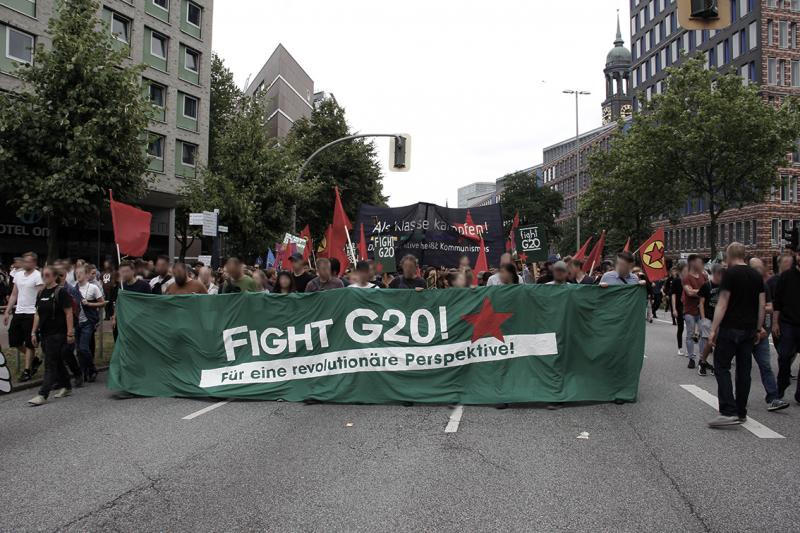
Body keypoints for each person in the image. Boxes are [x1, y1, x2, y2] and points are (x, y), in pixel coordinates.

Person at [706, 243, 765, 427]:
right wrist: (758, 328)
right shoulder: (756, 275)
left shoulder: (729, 274)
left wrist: (714, 328)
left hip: (730, 327)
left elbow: (722, 303)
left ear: (730, 255)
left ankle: (728, 410)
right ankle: (741, 411)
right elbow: (761, 304)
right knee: (744, 370)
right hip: (748, 329)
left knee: (722, 367)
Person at [27, 266, 75, 406]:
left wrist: (70, 333)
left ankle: (43, 394)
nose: (44, 277)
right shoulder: (41, 292)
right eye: (43, 275)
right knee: (57, 361)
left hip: (58, 333)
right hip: (45, 333)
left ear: (55, 277)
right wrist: (33, 332)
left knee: (50, 364)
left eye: (47, 275)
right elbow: (37, 314)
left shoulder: (61, 292)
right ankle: (66, 386)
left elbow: (68, 313)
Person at [748, 258, 789, 411]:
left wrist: (760, 308)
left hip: (762, 333)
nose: (760, 271)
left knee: (765, 365)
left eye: (761, 267)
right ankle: (740, 398)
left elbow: (771, 306)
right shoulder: (744, 285)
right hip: (746, 332)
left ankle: (773, 397)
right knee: (743, 368)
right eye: (757, 268)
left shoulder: (764, 286)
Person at [3, 252, 44, 382]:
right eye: (24, 261)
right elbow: (14, 293)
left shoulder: (38, 276)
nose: (25, 264)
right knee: (14, 340)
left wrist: (40, 312)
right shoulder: (19, 275)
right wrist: (7, 311)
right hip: (19, 311)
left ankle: (27, 370)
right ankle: (35, 360)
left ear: (34, 263)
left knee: (29, 343)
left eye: (28, 261)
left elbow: (41, 295)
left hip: (31, 312)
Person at [773, 250, 800, 403]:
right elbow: (778, 301)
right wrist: (776, 322)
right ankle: (782, 385)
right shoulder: (786, 276)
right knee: (784, 355)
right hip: (788, 322)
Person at [74, 265, 104, 383]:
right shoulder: (73, 288)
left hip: (88, 322)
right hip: (77, 322)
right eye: (76, 273)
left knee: (84, 348)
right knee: (79, 349)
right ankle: (83, 372)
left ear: (86, 275)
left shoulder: (93, 288)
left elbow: (102, 303)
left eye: (80, 273)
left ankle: (91, 369)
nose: (78, 275)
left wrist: (90, 304)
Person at [681, 255, 708, 369]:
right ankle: (691, 358)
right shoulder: (686, 278)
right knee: (690, 334)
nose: (701, 265)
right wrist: (703, 291)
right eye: (699, 262)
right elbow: (689, 293)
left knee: (703, 335)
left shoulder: (704, 276)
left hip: (702, 310)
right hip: (689, 310)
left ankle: (702, 359)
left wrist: (697, 291)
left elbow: (710, 290)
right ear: (693, 264)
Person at [696, 264, 723, 377]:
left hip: (720, 318)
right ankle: (702, 362)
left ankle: (716, 365)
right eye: (719, 274)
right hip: (708, 316)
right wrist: (703, 319)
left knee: (718, 342)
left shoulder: (724, 286)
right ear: (715, 274)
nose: (721, 277)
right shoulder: (706, 286)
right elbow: (701, 303)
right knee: (709, 341)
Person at [670, 266, 687, 355]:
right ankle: (680, 348)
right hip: (679, 307)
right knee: (681, 328)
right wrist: (674, 309)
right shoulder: (676, 281)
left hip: (688, 307)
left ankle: (689, 349)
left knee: (690, 329)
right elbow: (673, 295)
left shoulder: (688, 280)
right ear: (680, 271)